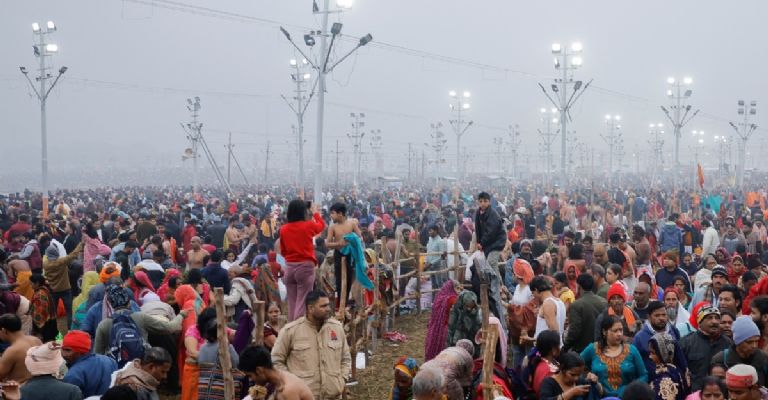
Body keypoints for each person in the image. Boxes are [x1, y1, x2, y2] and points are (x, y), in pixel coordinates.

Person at [271, 290, 350, 399]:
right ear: (310, 308)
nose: (328, 309)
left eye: (328, 305)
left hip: (333, 396)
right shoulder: (291, 331)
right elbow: (276, 361)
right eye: (323, 306)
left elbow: (345, 358)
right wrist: (291, 384)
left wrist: (341, 380)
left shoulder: (337, 328)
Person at [93, 285, 186, 358]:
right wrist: (181, 315)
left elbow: (98, 354)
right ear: (129, 302)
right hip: (140, 367)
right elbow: (171, 328)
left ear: (111, 304)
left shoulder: (104, 325)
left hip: (116, 371)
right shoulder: (140, 317)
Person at [280, 199, 326, 321]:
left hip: (289, 267)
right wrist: (315, 213)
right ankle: (298, 330)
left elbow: (283, 251)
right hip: (305, 267)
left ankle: (291, 328)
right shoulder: (308, 225)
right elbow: (322, 225)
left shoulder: (283, 229)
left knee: (292, 302)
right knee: (302, 302)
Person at [581, 315, 648, 397]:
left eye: (621, 330)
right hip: (600, 396)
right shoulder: (593, 349)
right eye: (615, 331)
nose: (619, 334)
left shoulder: (632, 350)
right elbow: (575, 365)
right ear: (604, 332)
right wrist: (588, 376)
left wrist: (630, 389)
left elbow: (644, 375)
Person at [679, 305, 732, 391]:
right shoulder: (686, 343)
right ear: (700, 321)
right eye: (709, 318)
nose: (714, 321)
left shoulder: (728, 343)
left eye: (717, 318)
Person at [238, 345, 313, 400]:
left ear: (259, 370)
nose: (251, 380)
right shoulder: (275, 379)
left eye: (250, 376)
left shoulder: (287, 390)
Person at [325, 203, 363, 309]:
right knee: (340, 281)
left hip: (351, 255)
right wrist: (338, 244)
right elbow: (327, 244)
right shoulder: (332, 227)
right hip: (339, 254)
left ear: (340, 213)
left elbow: (359, 237)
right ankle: (341, 304)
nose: (331, 216)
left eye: (332, 213)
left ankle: (347, 302)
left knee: (350, 279)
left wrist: (352, 239)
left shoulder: (351, 224)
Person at [712, 316, 768, 386]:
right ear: (738, 342)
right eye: (749, 342)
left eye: (756, 341)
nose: (754, 346)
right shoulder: (721, 359)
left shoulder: (764, 358)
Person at [60, 330, 117, 397]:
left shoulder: (74, 375)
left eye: (68, 350)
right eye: (62, 349)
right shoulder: (110, 361)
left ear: (81, 351)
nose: (64, 354)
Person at [42, 241, 83, 330]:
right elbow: (74, 254)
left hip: (53, 291)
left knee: (53, 313)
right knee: (69, 312)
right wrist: (81, 243)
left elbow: (45, 256)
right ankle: (70, 329)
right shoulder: (62, 261)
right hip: (65, 289)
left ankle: (53, 330)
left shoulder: (45, 263)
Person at [633, 301, 681, 370]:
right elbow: (635, 363)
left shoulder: (674, 332)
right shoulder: (639, 337)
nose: (661, 318)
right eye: (657, 315)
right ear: (648, 317)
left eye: (664, 315)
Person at [565, 273, 607, 353]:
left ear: (579, 286)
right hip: (601, 348)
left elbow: (574, 330)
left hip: (582, 350)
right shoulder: (603, 302)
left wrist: (566, 346)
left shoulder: (576, 305)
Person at [0, 314, 42, 384]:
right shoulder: (36, 340)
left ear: (4, 330)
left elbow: (1, 375)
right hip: (38, 384)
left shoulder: (12, 351)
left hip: (19, 390)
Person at [648, 332, 690, 400]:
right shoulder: (676, 369)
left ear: (663, 354)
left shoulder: (664, 379)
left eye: (653, 353)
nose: (650, 356)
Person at [474, 192, 507, 279]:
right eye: (480, 201)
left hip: (497, 241)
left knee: (491, 262)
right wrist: (478, 242)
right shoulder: (478, 213)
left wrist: (482, 243)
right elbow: (478, 229)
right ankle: (499, 286)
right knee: (491, 266)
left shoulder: (493, 214)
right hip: (488, 243)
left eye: (485, 201)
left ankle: (497, 288)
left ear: (489, 202)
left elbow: (490, 232)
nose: (483, 203)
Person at [425, 280, 458, 361]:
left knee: (433, 347)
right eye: (457, 289)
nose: (458, 291)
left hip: (434, 328)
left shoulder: (439, 297)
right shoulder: (453, 299)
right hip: (446, 329)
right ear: (452, 288)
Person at [531, 276, 566, 344]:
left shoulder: (548, 304)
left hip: (548, 351)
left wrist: (530, 339)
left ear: (536, 290)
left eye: (533, 293)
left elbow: (554, 333)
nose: (533, 296)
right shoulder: (559, 301)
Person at [530, 329, 562, 396]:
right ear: (554, 350)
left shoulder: (539, 362)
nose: (560, 347)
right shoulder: (551, 371)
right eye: (559, 344)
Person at [30, 273, 58, 342]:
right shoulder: (45, 289)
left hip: (45, 325)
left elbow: (39, 313)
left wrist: (38, 328)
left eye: (31, 284)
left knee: (46, 344)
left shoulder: (40, 294)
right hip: (50, 321)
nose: (30, 286)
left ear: (37, 283)